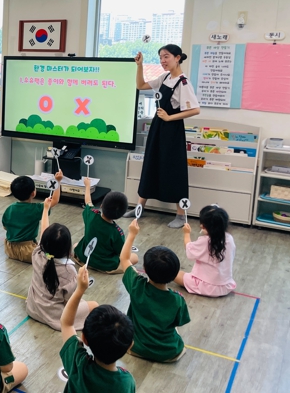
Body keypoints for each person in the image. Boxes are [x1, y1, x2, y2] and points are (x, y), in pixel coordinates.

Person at [125, 45, 201, 228]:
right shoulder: (165, 77)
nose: (163, 61)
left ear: (177, 58)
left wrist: (169, 117)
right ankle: (139, 208)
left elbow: (195, 109)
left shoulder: (183, 83)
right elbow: (141, 85)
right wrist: (139, 66)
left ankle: (181, 215)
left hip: (172, 131)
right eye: (160, 57)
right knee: (150, 164)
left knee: (174, 170)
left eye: (166, 57)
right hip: (158, 127)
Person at [120, 222, 191, 362]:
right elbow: (179, 322)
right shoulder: (178, 300)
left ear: (145, 269)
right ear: (175, 274)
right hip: (169, 352)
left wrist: (132, 234)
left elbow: (124, 259)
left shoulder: (136, 286)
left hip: (137, 347)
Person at [60, 266, 136, 393]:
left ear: (84, 338)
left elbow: (66, 323)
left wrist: (80, 290)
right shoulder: (126, 382)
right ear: (130, 346)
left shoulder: (78, 364)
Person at [27, 197, 98, 331]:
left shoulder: (37, 253)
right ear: (67, 247)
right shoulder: (69, 270)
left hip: (33, 307)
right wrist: (81, 285)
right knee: (94, 305)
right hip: (55, 315)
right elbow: (69, 300)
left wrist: (46, 209)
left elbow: (44, 232)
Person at [73, 177, 138, 273]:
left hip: (83, 258)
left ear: (102, 205)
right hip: (105, 265)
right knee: (135, 257)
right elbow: (121, 253)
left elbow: (88, 202)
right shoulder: (117, 232)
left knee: (76, 245)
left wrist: (87, 186)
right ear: (120, 215)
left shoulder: (92, 215)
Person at [174, 205, 236, 297]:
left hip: (206, 287)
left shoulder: (205, 241)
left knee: (172, 273)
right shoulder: (229, 238)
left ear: (203, 226)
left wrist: (186, 233)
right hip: (226, 286)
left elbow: (189, 251)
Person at [2, 174, 61, 263]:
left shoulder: (10, 208)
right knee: (52, 253)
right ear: (33, 193)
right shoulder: (36, 209)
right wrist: (58, 181)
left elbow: (5, 227)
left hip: (9, 249)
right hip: (28, 251)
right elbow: (55, 200)